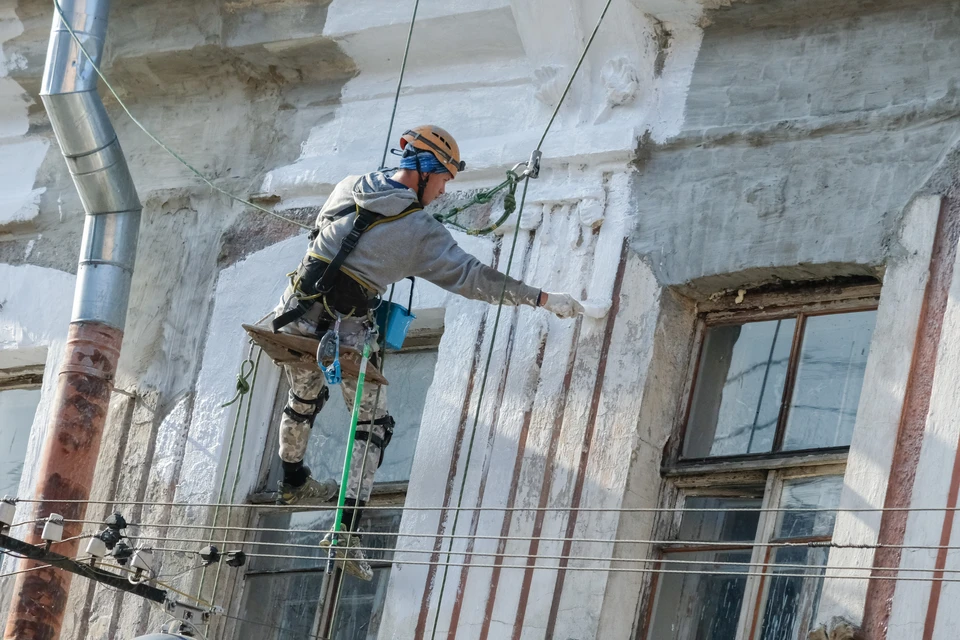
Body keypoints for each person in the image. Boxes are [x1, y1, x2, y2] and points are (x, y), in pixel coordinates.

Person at [270, 125, 584, 579]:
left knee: (303, 398)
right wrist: (539, 298)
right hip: (346, 334)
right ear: (424, 171)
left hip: (292, 317)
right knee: (373, 423)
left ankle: (292, 480)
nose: (441, 192)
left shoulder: (349, 186)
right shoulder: (420, 230)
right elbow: (473, 277)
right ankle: (343, 530)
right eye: (443, 181)